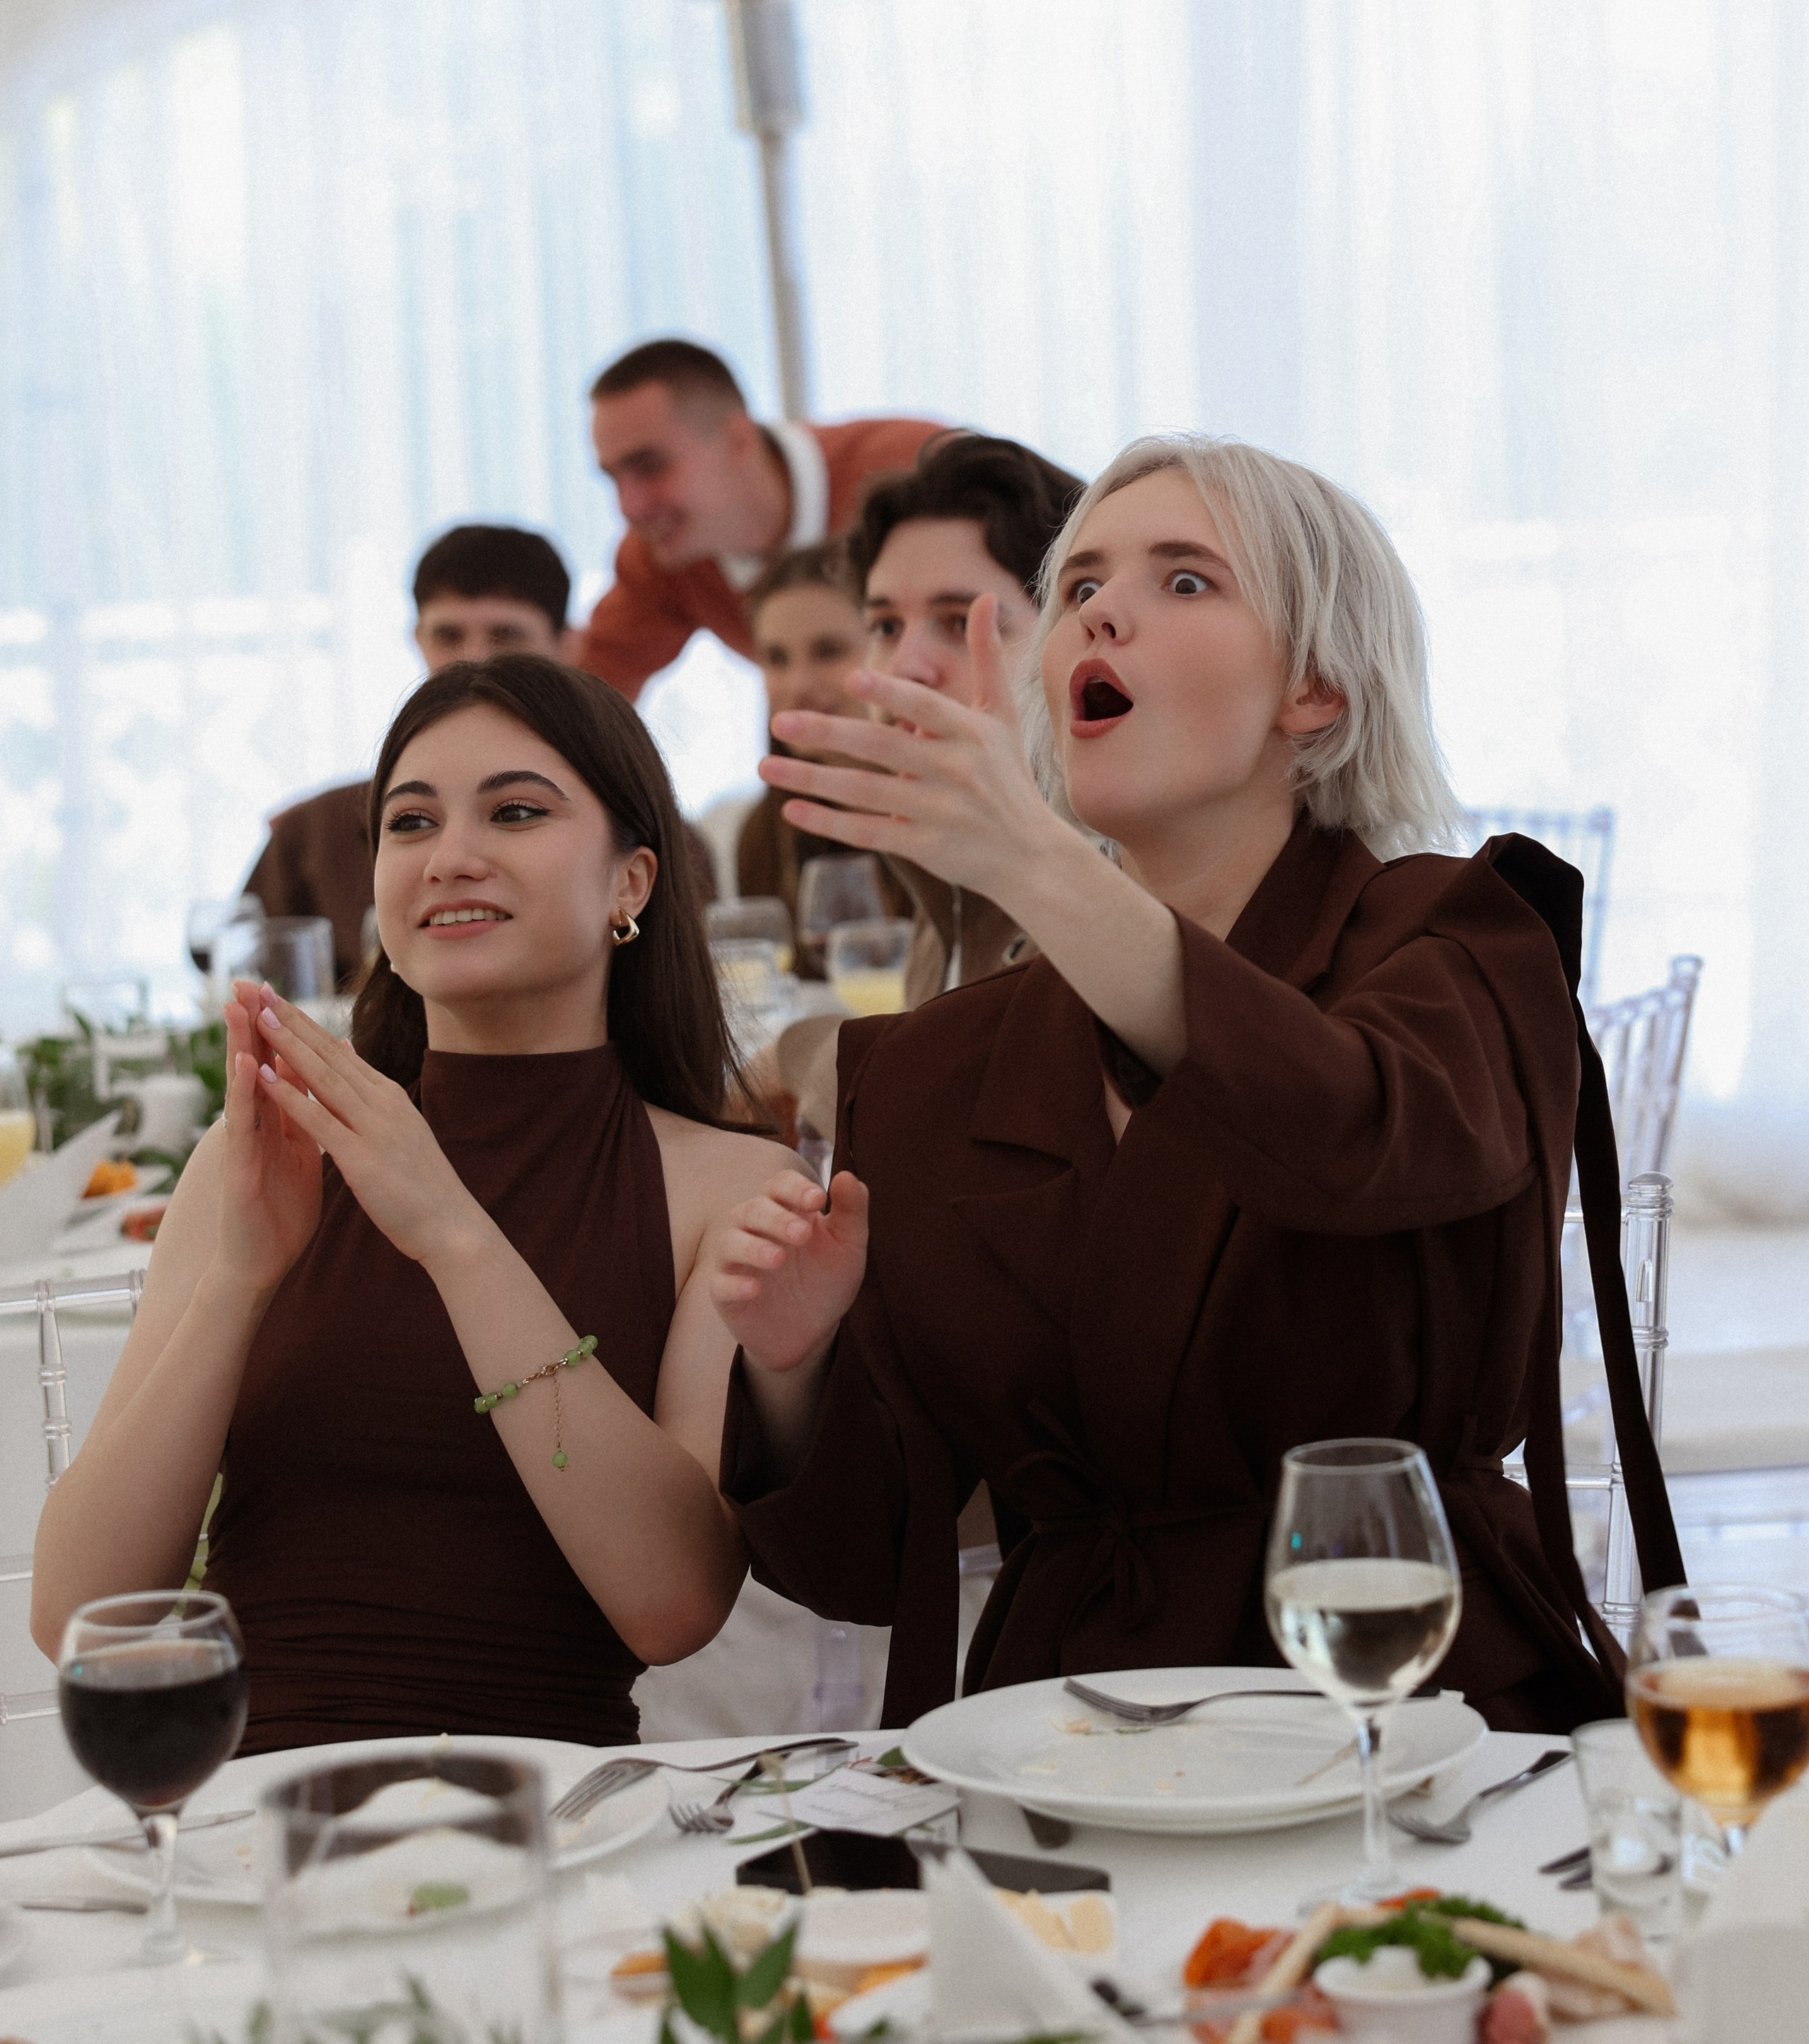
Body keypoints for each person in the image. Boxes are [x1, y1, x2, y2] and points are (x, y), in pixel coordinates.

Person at [705, 434, 1678, 1734]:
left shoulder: (1461, 945)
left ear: (1318, 688)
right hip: (1069, 1739)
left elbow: (1342, 1130)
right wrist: (790, 1365)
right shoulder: (937, 1067)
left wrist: (1041, 865)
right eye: (1083, 583)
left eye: (1185, 582)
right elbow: (857, 1565)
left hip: (1412, 1703)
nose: (1101, 606)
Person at [35, 655, 797, 1750]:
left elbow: (673, 1601)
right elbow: (79, 1619)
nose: (452, 857)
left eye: (517, 811)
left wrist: (451, 1232)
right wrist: (240, 1282)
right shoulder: (260, 1159)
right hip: (253, 1816)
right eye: (410, 823)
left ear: (632, 882)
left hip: (552, 1824)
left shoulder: (733, 1187)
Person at [756, 435, 1083, 1137]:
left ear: (1080, 639)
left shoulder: (1128, 877)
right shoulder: (943, 878)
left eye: (959, 621)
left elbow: (953, 1120)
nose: (904, 667)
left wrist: (794, 1056)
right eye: (883, 624)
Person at [243, 525, 576, 983]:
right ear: (417, 638)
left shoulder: (634, 826)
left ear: (566, 645)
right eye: (449, 635)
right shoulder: (315, 835)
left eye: (506, 635)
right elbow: (245, 998)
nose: (475, 659)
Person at [578, 338, 945, 699]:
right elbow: (584, 699)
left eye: (650, 467)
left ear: (738, 439)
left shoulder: (921, 468)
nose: (629, 507)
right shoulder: (661, 556)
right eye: (613, 477)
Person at [735, 544, 909, 968]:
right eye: (776, 658)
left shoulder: (963, 808)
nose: (798, 685)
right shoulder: (765, 834)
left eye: (828, 651)